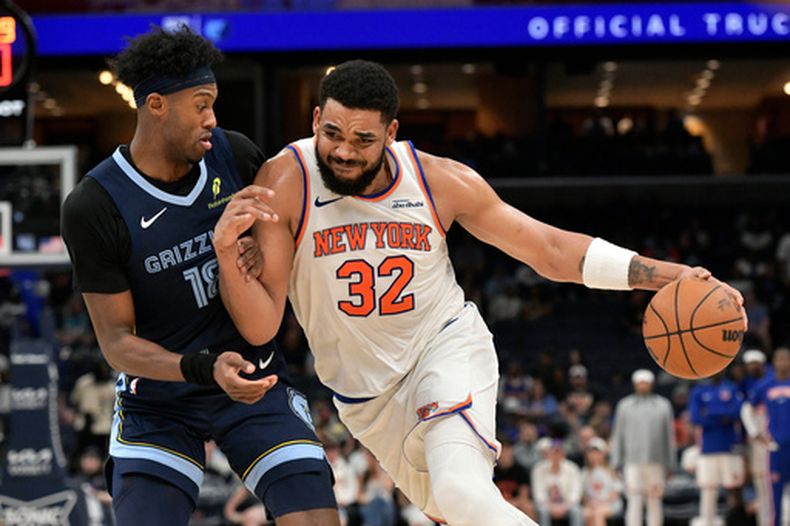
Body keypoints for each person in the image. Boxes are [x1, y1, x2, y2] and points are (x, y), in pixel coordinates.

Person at [212, 60, 744, 526]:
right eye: (332, 133)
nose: (344, 152)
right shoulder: (287, 181)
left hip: (445, 349)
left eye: (363, 140)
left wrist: (671, 276)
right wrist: (226, 255)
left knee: (462, 493)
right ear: (314, 121)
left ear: (392, 132)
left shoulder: (439, 181)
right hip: (366, 400)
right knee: (459, 512)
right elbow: (262, 326)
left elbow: (551, 251)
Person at [61, 27, 338, 526]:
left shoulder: (236, 156)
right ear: (156, 105)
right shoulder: (95, 205)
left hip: (256, 378)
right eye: (201, 104)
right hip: (161, 398)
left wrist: (261, 248)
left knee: (316, 518)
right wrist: (202, 367)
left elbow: (285, 245)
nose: (212, 118)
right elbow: (118, 343)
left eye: (214, 103)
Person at [610, 369, 676, 526]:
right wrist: (615, 461)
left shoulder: (663, 405)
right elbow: (618, 435)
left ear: (651, 384)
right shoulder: (624, 406)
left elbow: (669, 436)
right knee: (634, 500)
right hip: (632, 461)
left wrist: (670, 464)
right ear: (634, 384)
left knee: (654, 501)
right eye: (640, 383)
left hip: (656, 461)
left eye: (645, 383)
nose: (643, 386)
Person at [689, 372, 745, 526]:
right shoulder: (698, 390)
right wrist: (723, 415)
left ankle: (739, 521)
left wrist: (710, 412)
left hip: (730, 447)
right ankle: (707, 522)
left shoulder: (732, 388)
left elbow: (737, 412)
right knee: (708, 489)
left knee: (736, 488)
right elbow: (696, 418)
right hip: (707, 448)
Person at [749, 347, 790, 526]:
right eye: (779, 359)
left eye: (786, 359)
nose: (782, 363)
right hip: (776, 447)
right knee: (775, 493)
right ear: (773, 363)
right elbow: (746, 409)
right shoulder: (764, 386)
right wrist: (756, 434)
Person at [740, 349, 773, 526]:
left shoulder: (773, 381)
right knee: (761, 481)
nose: (752, 367)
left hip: (778, 434)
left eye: (755, 363)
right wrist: (754, 433)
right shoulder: (746, 384)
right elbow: (745, 410)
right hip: (757, 440)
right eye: (749, 364)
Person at [530, 439, 583, 526]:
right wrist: (550, 506)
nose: (556, 455)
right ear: (549, 453)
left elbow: (576, 493)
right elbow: (538, 494)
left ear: (564, 454)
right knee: (543, 511)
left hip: (567, 504)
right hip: (546, 504)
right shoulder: (538, 469)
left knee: (576, 511)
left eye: (559, 452)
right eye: (554, 452)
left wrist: (564, 506)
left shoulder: (572, 468)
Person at [581, 437, 623, 526]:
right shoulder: (584, 472)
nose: (594, 455)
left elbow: (616, 493)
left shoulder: (612, 471)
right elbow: (583, 495)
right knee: (586, 514)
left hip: (611, 503)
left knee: (598, 513)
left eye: (597, 452)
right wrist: (589, 503)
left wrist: (601, 502)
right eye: (591, 452)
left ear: (604, 454)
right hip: (592, 504)